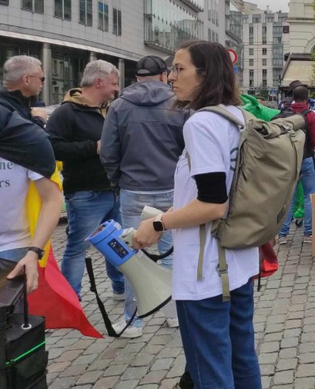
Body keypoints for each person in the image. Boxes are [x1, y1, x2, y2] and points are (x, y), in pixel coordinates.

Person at [133, 40, 261, 388]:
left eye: (179, 68)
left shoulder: (202, 123)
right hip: (238, 259)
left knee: (210, 369)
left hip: (206, 270)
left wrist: (159, 222)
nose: (171, 77)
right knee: (242, 358)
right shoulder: (237, 116)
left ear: (205, 75)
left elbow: (213, 202)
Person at [100, 55, 187, 337]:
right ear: (164, 75)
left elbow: (109, 152)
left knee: (130, 256)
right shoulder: (179, 104)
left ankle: (132, 321)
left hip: (134, 188)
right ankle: (174, 314)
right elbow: (189, 149)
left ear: (136, 76)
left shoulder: (120, 105)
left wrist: (118, 182)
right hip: (172, 188)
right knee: (172, 253)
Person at [47, 60, 126, 299]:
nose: (116, 89)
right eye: (113, 83)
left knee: (116, 243)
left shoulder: (110, 110)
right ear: (98, 82)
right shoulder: (65, 113)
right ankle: (70, 300)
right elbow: (52, 148)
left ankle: (120, 288)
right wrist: (94, 147)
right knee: (77, 248)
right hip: (84, 193)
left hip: (113, 189)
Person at [276, 85, 315, 244]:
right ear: (307, 98)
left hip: (289, 161)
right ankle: (308, 234)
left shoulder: (285, 114)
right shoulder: (310, 116)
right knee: (309, 198)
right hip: (307, 159)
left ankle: (283, 234)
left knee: (289, 198)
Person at [1, 154, 64, 294]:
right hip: (16, 247)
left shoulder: (26, 139)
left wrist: (34, 251)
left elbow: (52, 199)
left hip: (15, 245)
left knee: (10, 312)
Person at [0, 56, 49, 127]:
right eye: (42, 79)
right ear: (26, 79)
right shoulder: (5, 109)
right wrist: (39, 119)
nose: (43, 83)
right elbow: (28, 136)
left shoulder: (28, 103)